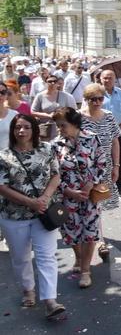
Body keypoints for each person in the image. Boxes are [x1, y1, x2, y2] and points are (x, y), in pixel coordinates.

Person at [0, 114, 66, 320]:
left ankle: (50, 301)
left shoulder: (47, 149)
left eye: (26, 127)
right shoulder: (3, 156)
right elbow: (2, 187)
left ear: (34, 130)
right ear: (12, 131)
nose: (21, 131)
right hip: (14, 216)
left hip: (44, 213)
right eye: (17, 127)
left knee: (46, 257)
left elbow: (56, 175)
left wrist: (44, 198)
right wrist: (30, 202)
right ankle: (28, 289)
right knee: (21, 257)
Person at [52, 107, 107, 289]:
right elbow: (53, 173)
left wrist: (91, 183)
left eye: (63, 125)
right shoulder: (55, 145)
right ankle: (79, 256)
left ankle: (85, 271)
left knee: (90, 232)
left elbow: (101, 163)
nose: (60, 129)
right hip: (67, 197)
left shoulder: (91, 138)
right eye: (58, 125)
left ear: (74, 123)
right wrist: (68, 191)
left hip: (90, 196)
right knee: (71, 232)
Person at [80, 84, 121, 262]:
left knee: (98, 202)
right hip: (86, 168)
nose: (97, 102)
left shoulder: (109, 116)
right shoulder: (78, 118)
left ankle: (97, 237)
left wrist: (116, 166)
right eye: (93, 99)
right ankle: (99, 240)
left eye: (100, 98)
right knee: (91, 203)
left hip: (105, 167)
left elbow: (115, 141)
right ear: (86, 100)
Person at [101, 69, 121, 195]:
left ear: (115, 79)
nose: (107, 80)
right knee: (101, 159)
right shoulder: (96, 94)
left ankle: (118, 188)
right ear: (100, 79)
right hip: (100, 131)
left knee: (118, 159)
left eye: (110, 78)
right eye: (105, 78)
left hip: (118, 130)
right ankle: (103, 187)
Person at [31, 75, 76, 142]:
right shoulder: (40, 96)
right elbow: (33, 112)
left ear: (57, 83)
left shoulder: (65, 96)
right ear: (45, 83)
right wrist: (48, 115)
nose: (52, 83)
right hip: (46, 128)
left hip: (61, 128)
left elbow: (72, 111)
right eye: (50, 81)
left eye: (55, 81)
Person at [0, 81, 18, 150]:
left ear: (6, 95)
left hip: (9, 154)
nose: (0, 95)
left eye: (3, 92)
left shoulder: (15, 115)